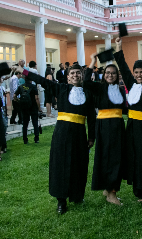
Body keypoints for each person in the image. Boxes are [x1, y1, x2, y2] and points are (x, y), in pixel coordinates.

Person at [17, 63, 96, 215]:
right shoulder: (60, 88)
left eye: (78, 73)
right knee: (61, 164)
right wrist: (24, 71)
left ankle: (77, 195)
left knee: (79, 164)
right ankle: (61, 200)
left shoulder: (88, 93)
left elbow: (92, 117)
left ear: (82, 75)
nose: (75, 75)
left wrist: (91, 137)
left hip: (80, 133)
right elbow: (42, 80)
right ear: (68, 77)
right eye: (72, 73)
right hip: (62, 133)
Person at [114, 37, 142, 202]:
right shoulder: (131, 84)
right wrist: (119, 47)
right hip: (132, 128)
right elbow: (123, 66)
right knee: (134, 159)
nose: (139, 75)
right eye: (136, 72)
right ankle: (139, 192)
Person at [85, 53, 127, 205]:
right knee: (109, 159)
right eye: (107, 73)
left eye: (113, 73)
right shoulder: (99, 88)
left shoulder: (121, 89)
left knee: (116, 158)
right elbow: (85, 81)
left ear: (117, 75)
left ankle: (108, 188)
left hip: (118, 127)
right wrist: (92, 62)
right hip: (104, 127)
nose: (110, 75)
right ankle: (111, 193)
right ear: (103, 75)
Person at [14, 73, 40, 144]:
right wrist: (39, 107)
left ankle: (25, 139)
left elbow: (14, 95)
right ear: (31, 80)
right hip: (33, 107)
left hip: (24, 107)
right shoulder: (33, 87)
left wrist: (19, 101)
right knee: (35, 122)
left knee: (25, 124)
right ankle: (36, 138)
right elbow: (36, 98)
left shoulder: (21, 86)